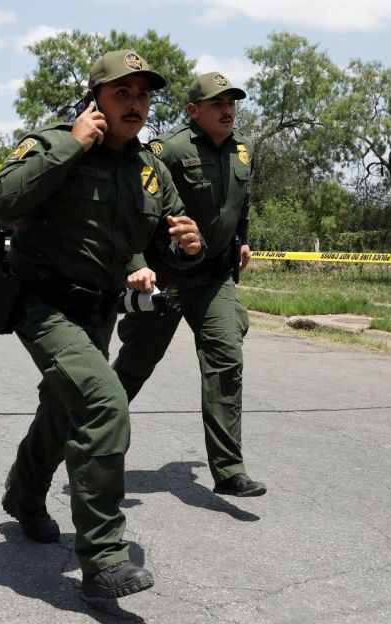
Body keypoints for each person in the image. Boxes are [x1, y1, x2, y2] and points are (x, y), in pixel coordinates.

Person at [0, 50, 204, 600]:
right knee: (104, 403)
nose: (136, 104)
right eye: (123, 93)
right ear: (97, 98)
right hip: (43, 305)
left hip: (99, 309)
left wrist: (186, 246)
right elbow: (2, 200)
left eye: (143, 95)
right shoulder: (55, 141)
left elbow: (162, 246)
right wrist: (72, 144)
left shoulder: (151, 170)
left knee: (65, 407)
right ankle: (105, 559)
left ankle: (24, 494)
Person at [112, 72, 265, 498]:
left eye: (232, 102)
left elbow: (242, 200)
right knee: (134, 366)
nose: (228, 110)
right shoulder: (170, 150)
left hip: (214, 278)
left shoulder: (243, 151)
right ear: (194, 111)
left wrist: (244, 239)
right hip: (167, 278)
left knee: (225, 359)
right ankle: (91, 445)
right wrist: (138, 264)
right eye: (217, 103)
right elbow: (138, 208)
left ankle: (229, 469)